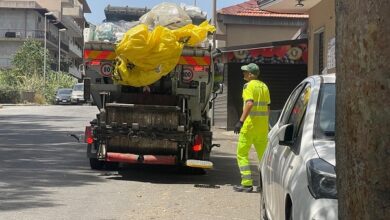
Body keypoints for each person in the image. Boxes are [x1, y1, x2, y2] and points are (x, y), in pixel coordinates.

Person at [233, 63, 270, 193]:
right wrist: (267, 124)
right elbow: (267, 107)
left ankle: (247, 184)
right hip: (262, 128)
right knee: (263, 157)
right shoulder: (264, 86)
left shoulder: (248, 86)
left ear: (250, 74)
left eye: (245, 72)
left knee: (242, 154)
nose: (243, 74)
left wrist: (240, 121)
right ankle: (264, 185)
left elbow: (249, 103)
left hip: (249, 127)